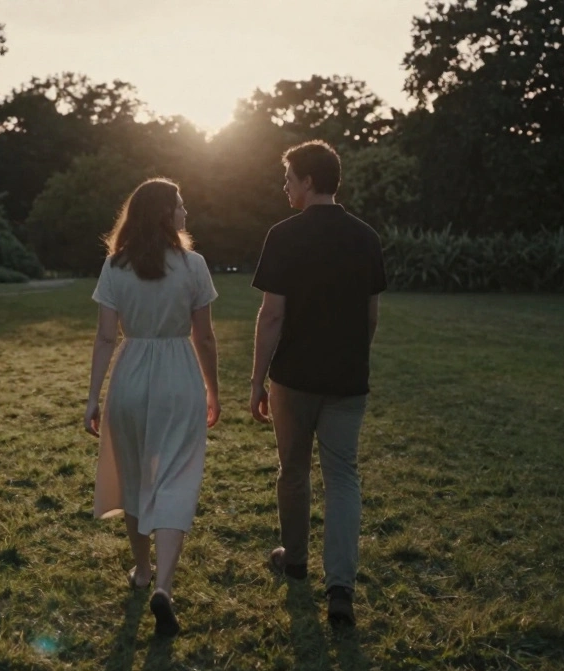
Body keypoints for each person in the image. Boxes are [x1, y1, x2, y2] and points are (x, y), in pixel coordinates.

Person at [250, 140, 386, 628]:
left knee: (293, 469)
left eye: (289, 176)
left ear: (308, 181)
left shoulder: (284, 235)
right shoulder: (366, 237)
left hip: (293, 379)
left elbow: (271, 316)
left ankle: (296, 559)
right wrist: (352, 357)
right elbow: (371, 316)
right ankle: (341, 588)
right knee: (343, 477)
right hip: (349, 380)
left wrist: (256, 381)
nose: (285, 185)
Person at [85, 178, 220, 637]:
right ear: (165, 214)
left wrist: (92, 397)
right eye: (180, 206)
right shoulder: (194, 266)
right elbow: (204, 336)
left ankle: (142, 570)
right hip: (179, 376)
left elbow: (106, 337)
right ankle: (163, 585)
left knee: (136, 476)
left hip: (130, 375)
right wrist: (213, 390)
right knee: (176, 476)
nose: (185, 213)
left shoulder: (114, 266)